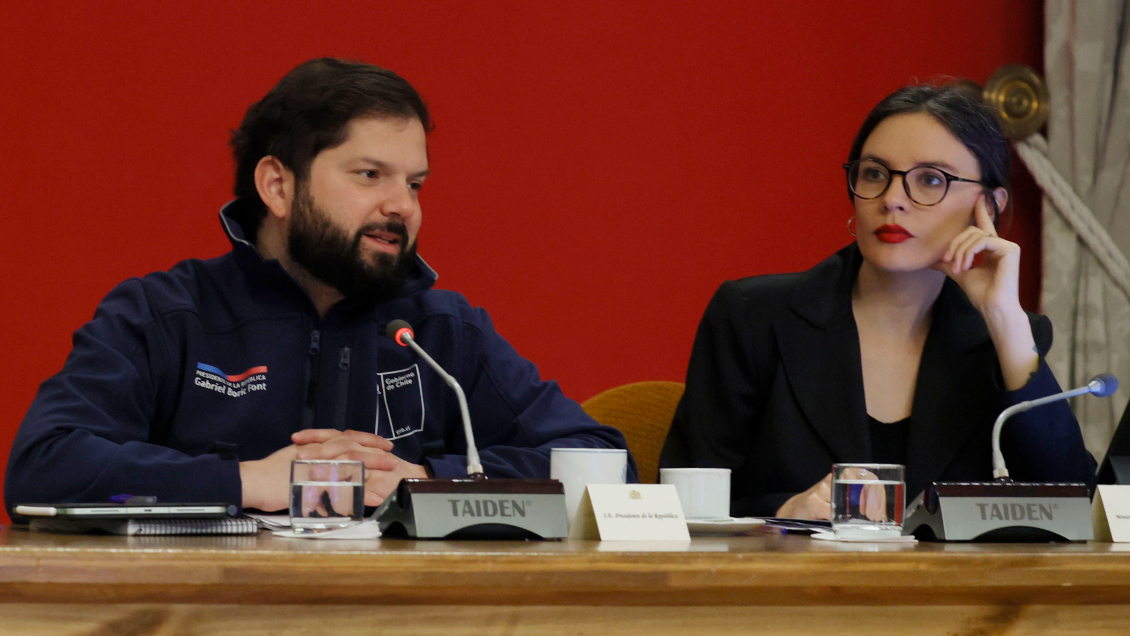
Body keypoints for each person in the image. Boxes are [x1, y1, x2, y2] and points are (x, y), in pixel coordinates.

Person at [5, 58, 633, 516]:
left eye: (414, 184)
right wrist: (250, 481)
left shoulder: (441, 331)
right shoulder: (165, 316)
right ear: (278, 186)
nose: (403, 205)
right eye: (370, 175)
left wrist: (424, 479)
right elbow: (43, 466)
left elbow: (607, 465)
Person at [659, 83, 1096, 519]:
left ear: (988, 205)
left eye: (931, 179)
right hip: (787, 565)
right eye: (874, 174)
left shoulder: (1008, 338)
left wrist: (1003, 318)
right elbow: (684, 506)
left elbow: (1075, 507)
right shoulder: (752, 317)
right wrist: (786, 512)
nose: (892, 200)